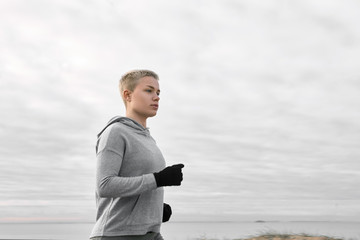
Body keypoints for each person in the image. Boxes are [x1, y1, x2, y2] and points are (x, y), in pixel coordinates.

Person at [90, 70, 184, 240]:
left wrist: (153, 208)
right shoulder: (115, 132)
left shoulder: (149, 139)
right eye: (149, 90)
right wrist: (158, 179)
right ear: (128, 95)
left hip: (151, 232)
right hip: (117, 234)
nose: (156, 97)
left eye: (158, 92)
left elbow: (140, 182)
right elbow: (105, 185)